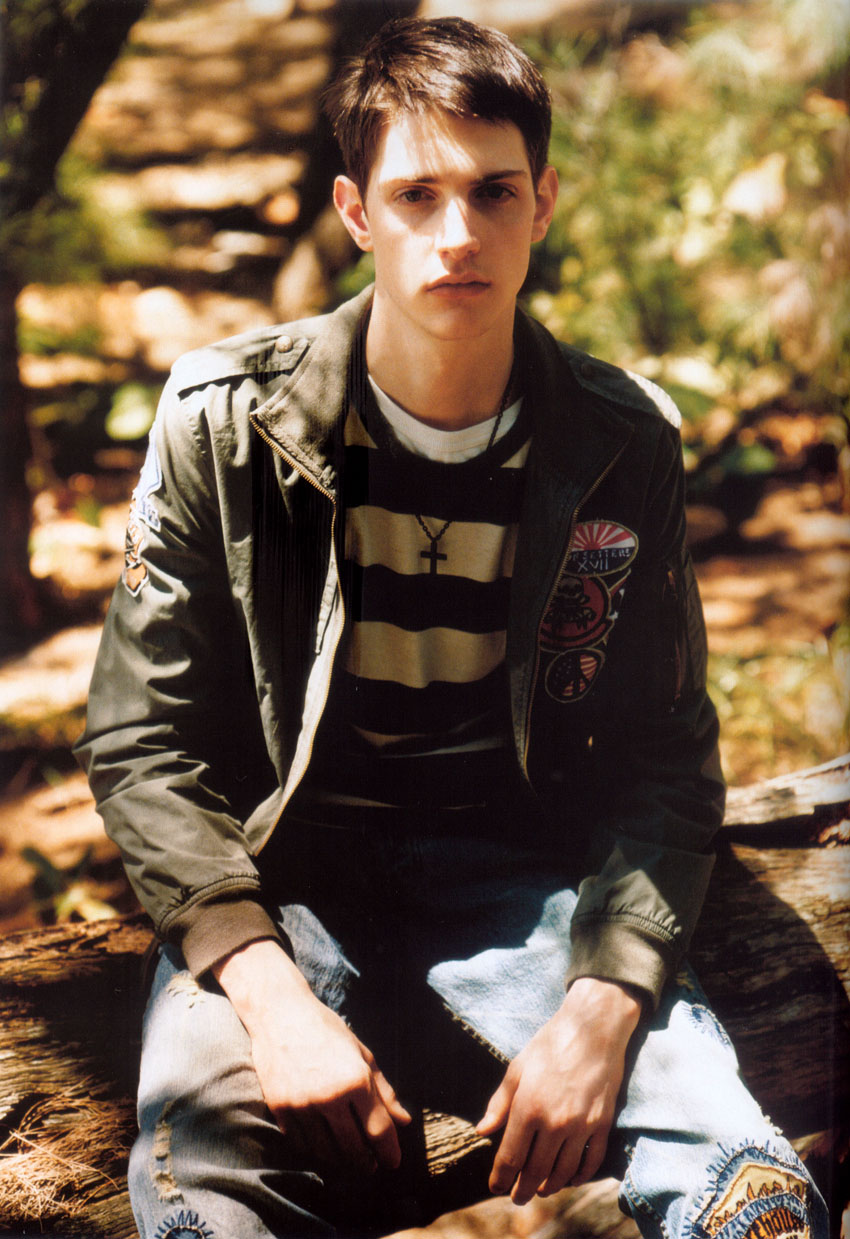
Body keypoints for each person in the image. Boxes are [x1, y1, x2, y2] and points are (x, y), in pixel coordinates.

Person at [77, 16, 827, 1239]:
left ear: (544, 203)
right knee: (199, 1193)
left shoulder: (618, 441)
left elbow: (666, 753)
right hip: (285, 879)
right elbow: (141, 743)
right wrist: (269, 998)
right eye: (415, 195)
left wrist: (602, 1003)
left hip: (526, 885)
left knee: (746, 1183)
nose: (458, 233)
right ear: (354, 212)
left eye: (492, 192)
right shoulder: (225, 423)